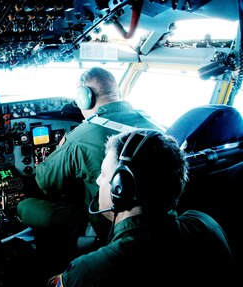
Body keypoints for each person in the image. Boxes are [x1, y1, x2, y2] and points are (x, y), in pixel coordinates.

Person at [16, 67, 164, 276]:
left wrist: (61, 150)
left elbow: (45, 181)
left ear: (85, 97)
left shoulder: (82, 135)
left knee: (25, 206)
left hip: (106, 224)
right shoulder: (154, 124)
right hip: (157, 217)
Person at [47, 129, 236, 286]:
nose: (98, 180)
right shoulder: (204, 225)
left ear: (121, 189)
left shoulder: (86, 272)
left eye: (104, 175)